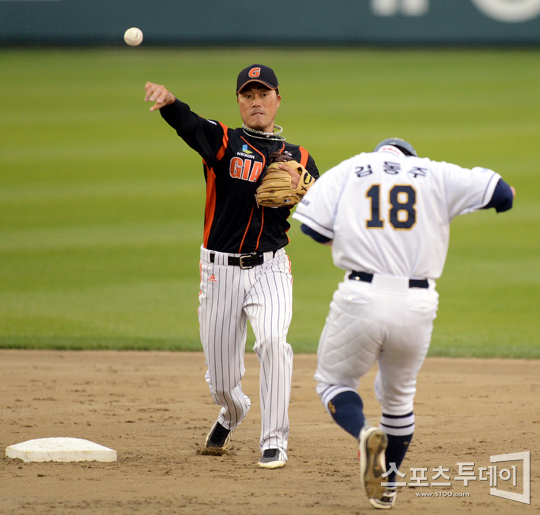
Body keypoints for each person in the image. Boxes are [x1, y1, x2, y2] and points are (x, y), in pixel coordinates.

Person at [292, 138, 515, 508]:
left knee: (334, 382)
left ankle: (364, 433)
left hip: (360, 298)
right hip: (418, 304)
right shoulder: (435, 172)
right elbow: (502, 195)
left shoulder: (353, 167)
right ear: (410, 158)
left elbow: (313, 231)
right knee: (398, 398)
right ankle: (387, 485)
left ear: (381, 154)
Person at [144, 64, 319, 469]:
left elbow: (321, 211)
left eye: (263, 94)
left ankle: (274, 440)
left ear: (278, 99)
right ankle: (232, 410)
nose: (256, 101)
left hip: (271, 269)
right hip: (219, 272)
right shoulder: (224, 142)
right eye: (247, 95)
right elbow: (189, 125)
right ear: (239, 102)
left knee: (274, 342)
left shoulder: (301, 157)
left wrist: (303, 195)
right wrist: (171, 103)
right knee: (222, 380)